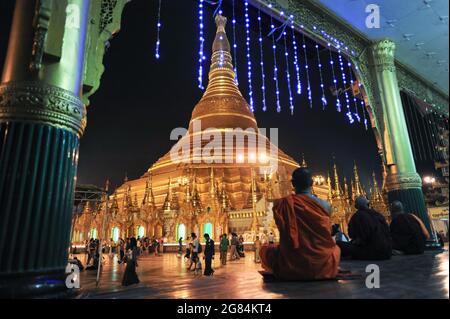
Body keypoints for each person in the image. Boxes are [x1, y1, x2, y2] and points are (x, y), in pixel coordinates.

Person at [260, 168, 340, 280]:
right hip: (322, 264)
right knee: (335, 250)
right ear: (312, 183)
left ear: (293, 183)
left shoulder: (283, 204)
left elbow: (284, 231)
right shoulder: (326, 205)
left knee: (265, 250)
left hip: (292, 262)